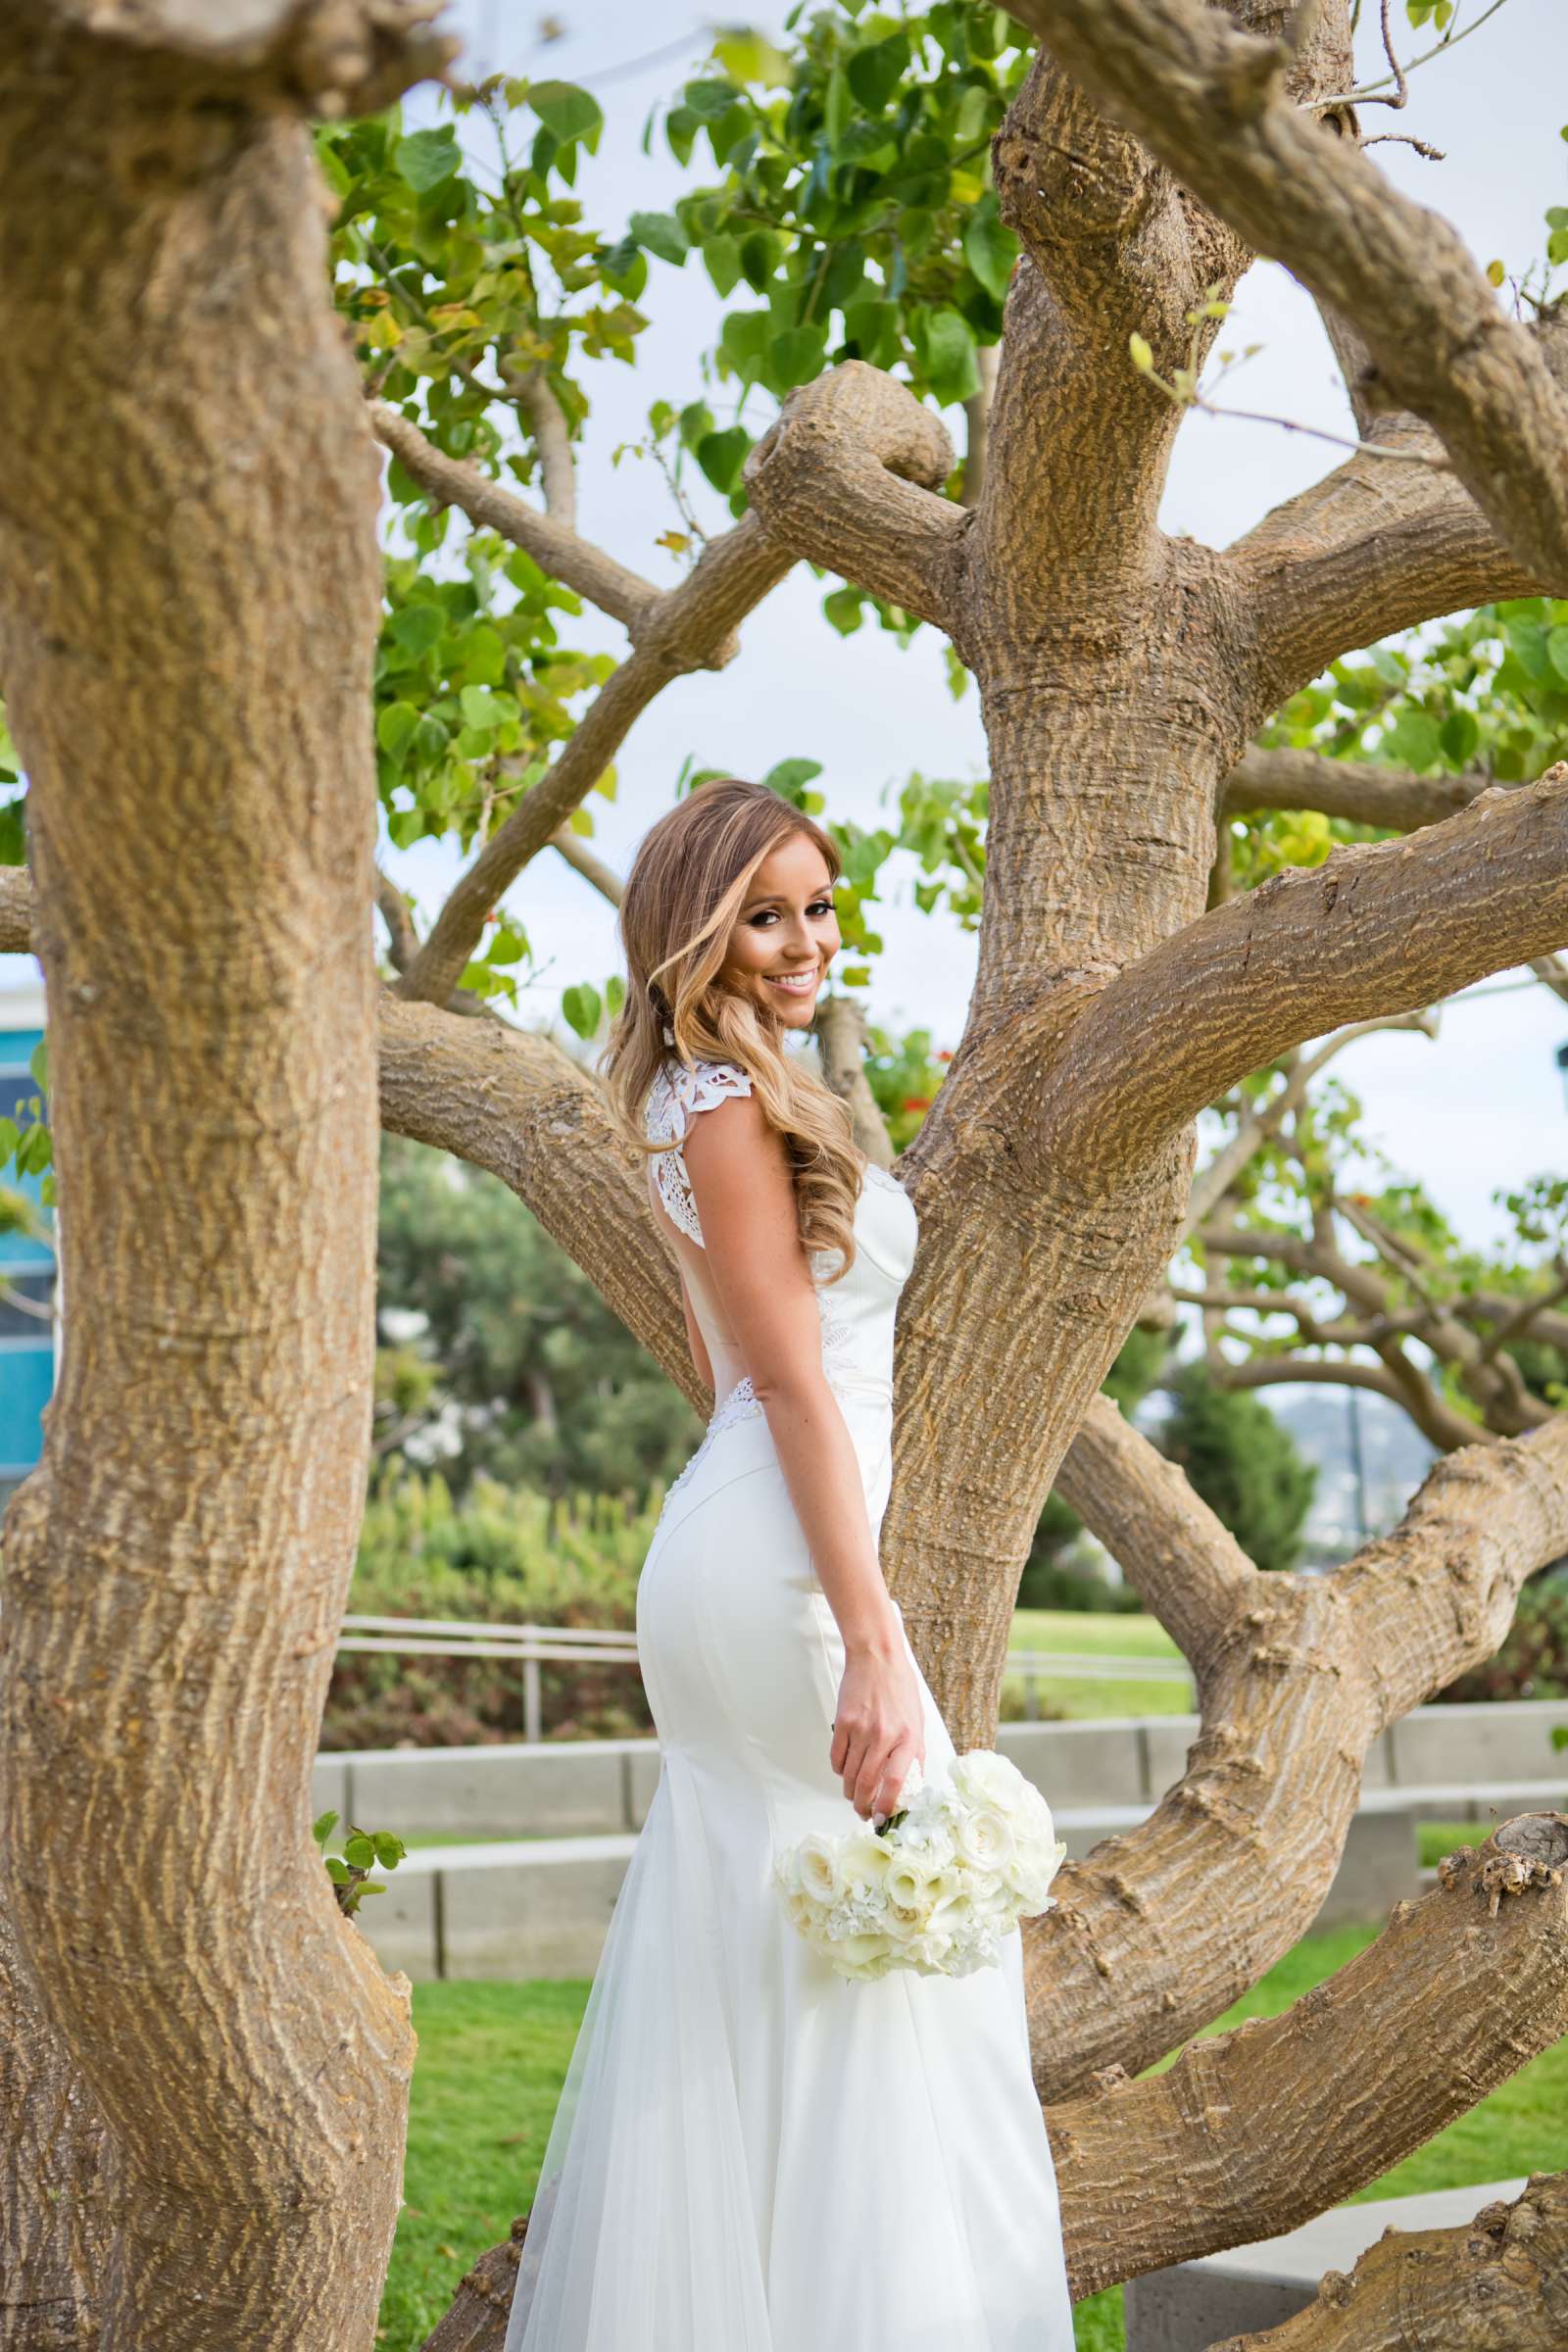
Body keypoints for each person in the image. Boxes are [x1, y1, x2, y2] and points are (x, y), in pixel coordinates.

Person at [504, 777, 1073, 2350]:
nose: (803, 939)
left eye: (819, 905)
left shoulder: (725, 1094)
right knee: (869, 1978)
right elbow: (790, 1382)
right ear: (692, 931)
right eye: (763, 913)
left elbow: (746, 1365)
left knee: (793, 1951)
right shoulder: (715, 1104)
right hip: (778, 1571)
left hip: (741, 1543)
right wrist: (877, 1637)